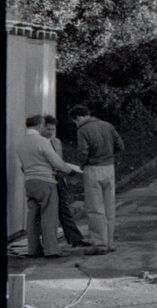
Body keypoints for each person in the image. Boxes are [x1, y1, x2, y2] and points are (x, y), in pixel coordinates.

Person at [18, 114, 83, 258]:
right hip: (46, 181)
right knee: (49, 216)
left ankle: (33, 249)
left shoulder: (21, 143)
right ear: (39, 124)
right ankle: (51, 250)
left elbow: (23, 166)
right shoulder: (42, 141)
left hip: (29, 181)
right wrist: (71, 172)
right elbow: (56, 162)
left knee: (33, 217)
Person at [70, 104, 123, 254]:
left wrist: (80, 166)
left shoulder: (82, 130)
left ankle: (100, 243)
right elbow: (120, 145)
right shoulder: (107, 125)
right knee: (109, 206)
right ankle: (110, 241)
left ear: (78, 117)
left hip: (92, 169)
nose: (76, 124)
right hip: (109, 167)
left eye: (75, 121)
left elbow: (83, 152)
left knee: (95, 207)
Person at [41, 116, 89, 249]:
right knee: (48, 211)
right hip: (47, 178)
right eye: (48, 128)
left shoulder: (57, 142)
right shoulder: (40, 142)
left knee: (64, 208)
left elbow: (59, 160)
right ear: (43, 128)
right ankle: (48, 243)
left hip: (59, 178)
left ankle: (75, 239)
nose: (51, 131)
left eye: (53, 128)